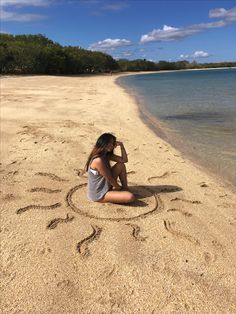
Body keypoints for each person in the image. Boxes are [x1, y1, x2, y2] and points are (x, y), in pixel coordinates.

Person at [85, 133, 135, 203]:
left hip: (105, 184)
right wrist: (119, 188)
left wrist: (121, 146)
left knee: (121, 165)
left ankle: (125, 188)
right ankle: (118, 192)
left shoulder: (106, 154)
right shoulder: (98, 160)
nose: (111, 145)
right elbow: (110, 179)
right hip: (98, 193)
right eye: (109, 143)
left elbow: (124, 160)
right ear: (103, 143)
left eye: (113, 143)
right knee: (130, 197)